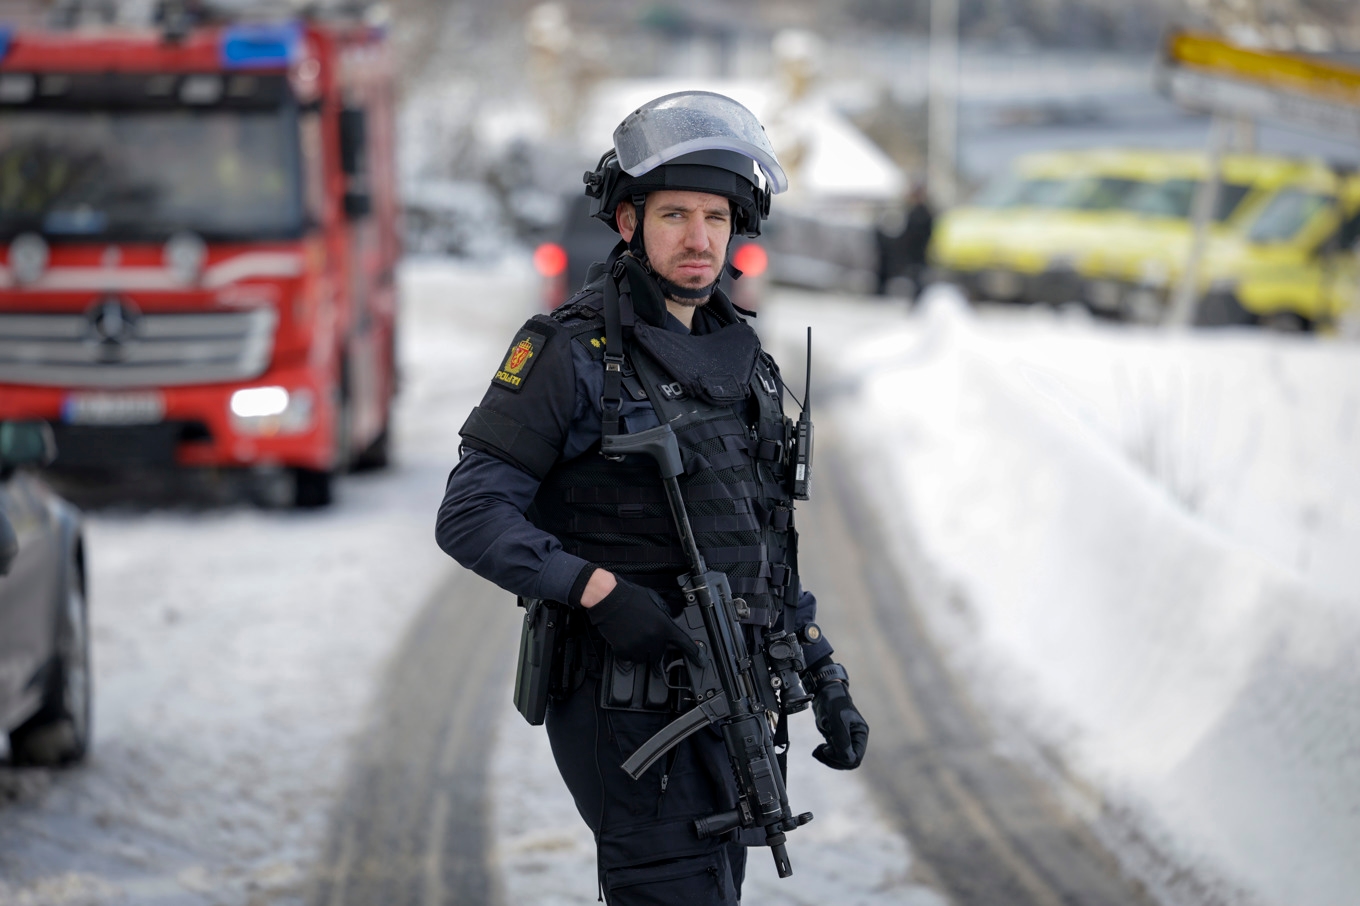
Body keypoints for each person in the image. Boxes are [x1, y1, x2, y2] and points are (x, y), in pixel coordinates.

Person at [436, 91, 869, 904]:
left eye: (717, 216)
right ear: (629, 222)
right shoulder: (568, 354)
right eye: (675, 214)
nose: (700, 238)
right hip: (624, 705)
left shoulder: (747, 364)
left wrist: (825, 674)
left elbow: (765, 550)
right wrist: (598, 592)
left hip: (731, 703)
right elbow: (470, 515)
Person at [875, 182, 934, 301]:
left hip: (916, 254)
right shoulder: (921, 212)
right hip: (917, 254)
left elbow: (913, 236)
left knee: (917, 280)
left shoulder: (920, 214)